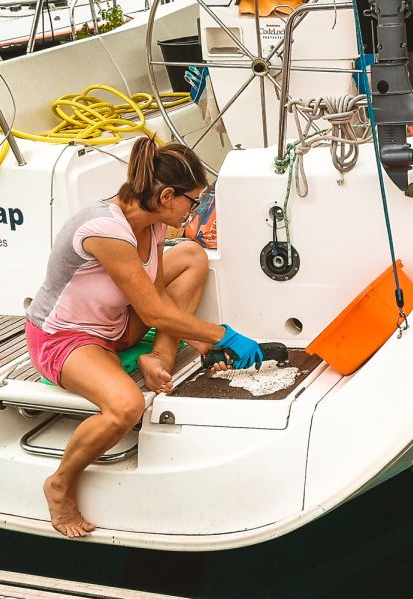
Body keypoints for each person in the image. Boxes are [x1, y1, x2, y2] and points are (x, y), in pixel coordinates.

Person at [25, 136, 262, 538]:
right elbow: (153, 313)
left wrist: (199, 341)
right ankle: (61, 484)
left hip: (116, 322)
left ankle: (158, 359)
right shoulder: (104, 229)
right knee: (125, 406)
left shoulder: (154, 223)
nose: (195, 211)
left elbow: (156, 296)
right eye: (194, 202)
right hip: (65, 338)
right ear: (167, 196)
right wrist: (224, 336)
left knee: (192, 256)